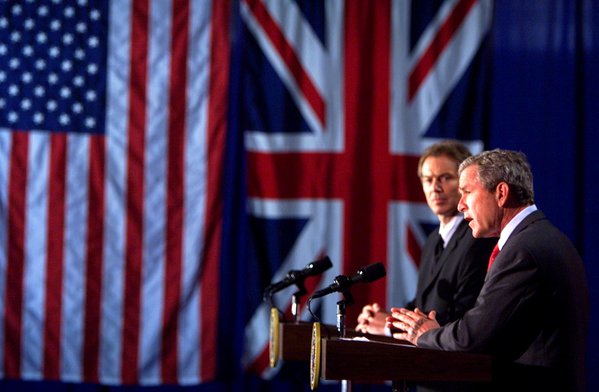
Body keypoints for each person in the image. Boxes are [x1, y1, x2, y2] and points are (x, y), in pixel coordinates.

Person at [388, 149, 589, 391]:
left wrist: (426, 333)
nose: (461, 205)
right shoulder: (542, 237)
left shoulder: (523, 250)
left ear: (501, 193)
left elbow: (472, 337)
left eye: (467, 192)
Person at [355, 140, 496, 336]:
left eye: (446, 178)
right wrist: (384, 318)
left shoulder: (477, 238)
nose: (436, 187)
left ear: (465, 184)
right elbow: (423, 305)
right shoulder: (432, 241)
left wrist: (388, 328)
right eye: (428, 180)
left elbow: (463, 317)